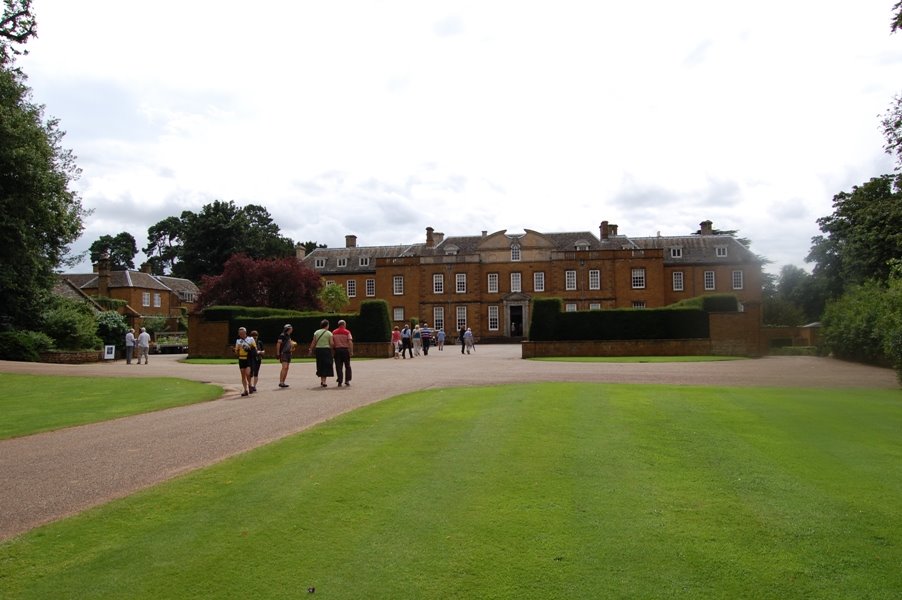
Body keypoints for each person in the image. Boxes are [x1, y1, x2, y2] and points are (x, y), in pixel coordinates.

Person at [309, 319, 334, 387]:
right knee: (326, 365)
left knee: (320, 364)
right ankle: (324, 381)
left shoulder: (316, 332)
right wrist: (332, 348)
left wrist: (310, 349)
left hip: (318, 350)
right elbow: (331, 343)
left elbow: (313, 342)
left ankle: (322, 380)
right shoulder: (329, 333)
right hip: (326, 350)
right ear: (327, 325)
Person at [234, 326, 256, 397]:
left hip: (248, 359)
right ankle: (245, 390)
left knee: (248, 373)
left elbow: (254, 349)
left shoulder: (251, 339)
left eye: (242, 333)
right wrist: (235, 350)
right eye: (240, 333)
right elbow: (236, 352)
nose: (241, 334)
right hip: (241, 359)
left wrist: (249, 348)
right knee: (243, 375)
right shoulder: (238, 341)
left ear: (245, 332)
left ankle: (250, 385)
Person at [331, 319, 353, 386]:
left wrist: (333, 350)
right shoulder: (347, 332)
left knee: (338, 366)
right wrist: (351, 351)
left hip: (337, 351)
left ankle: (340, 381)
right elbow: (350, 342)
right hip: (345, 350)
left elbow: (332, 343)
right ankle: (347, 380)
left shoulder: (334, 332)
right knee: (347, 366)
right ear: (344, 324)